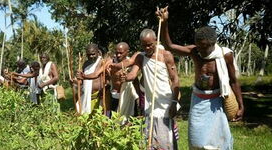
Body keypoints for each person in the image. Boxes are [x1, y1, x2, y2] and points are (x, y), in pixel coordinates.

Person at [156, 7, 244, 150]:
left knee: (219, 139)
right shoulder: (194, 51)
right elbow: (169, 46)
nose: (201, 51)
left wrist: (241, 105)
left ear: (213, 44)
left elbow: (233, 81)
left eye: (204, 47)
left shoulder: (225, 55)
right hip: (198, 99)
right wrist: (165, 22)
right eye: (199, 47)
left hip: (217, 99)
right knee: (196, 138)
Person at [121, 29, 180, 150]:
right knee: (149, 140)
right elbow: (133, 74)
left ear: (156, 41)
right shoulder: (141, 57)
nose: (147, 48)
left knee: (166, 141)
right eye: (144, 45)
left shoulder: (165, 55)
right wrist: (125, 77)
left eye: (150, 45)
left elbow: (175, 79)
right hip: (150, 104)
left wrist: (174, 102)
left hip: (165, 103)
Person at [78, 42, 140, 118]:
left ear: (127, 52)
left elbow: (135, 80)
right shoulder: (110, 62)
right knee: (113, 120)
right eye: (116, 53)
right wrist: (84, 76)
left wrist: (138, 97)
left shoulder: (131, 63)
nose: (118, 55)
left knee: (129, 120)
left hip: (128, 96)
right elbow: (96, 74)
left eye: (121, 53)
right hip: (114, 96)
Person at [74, 44, 104, 114]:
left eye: (93, 54)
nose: (91, 56)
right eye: (88, 55)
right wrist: (76, 81)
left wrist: (83, 76)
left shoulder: (102, 62)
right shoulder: (85, 64)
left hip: (98, 96)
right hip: (86, 95)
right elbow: (82, 81)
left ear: (98, 52)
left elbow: (95, 75)